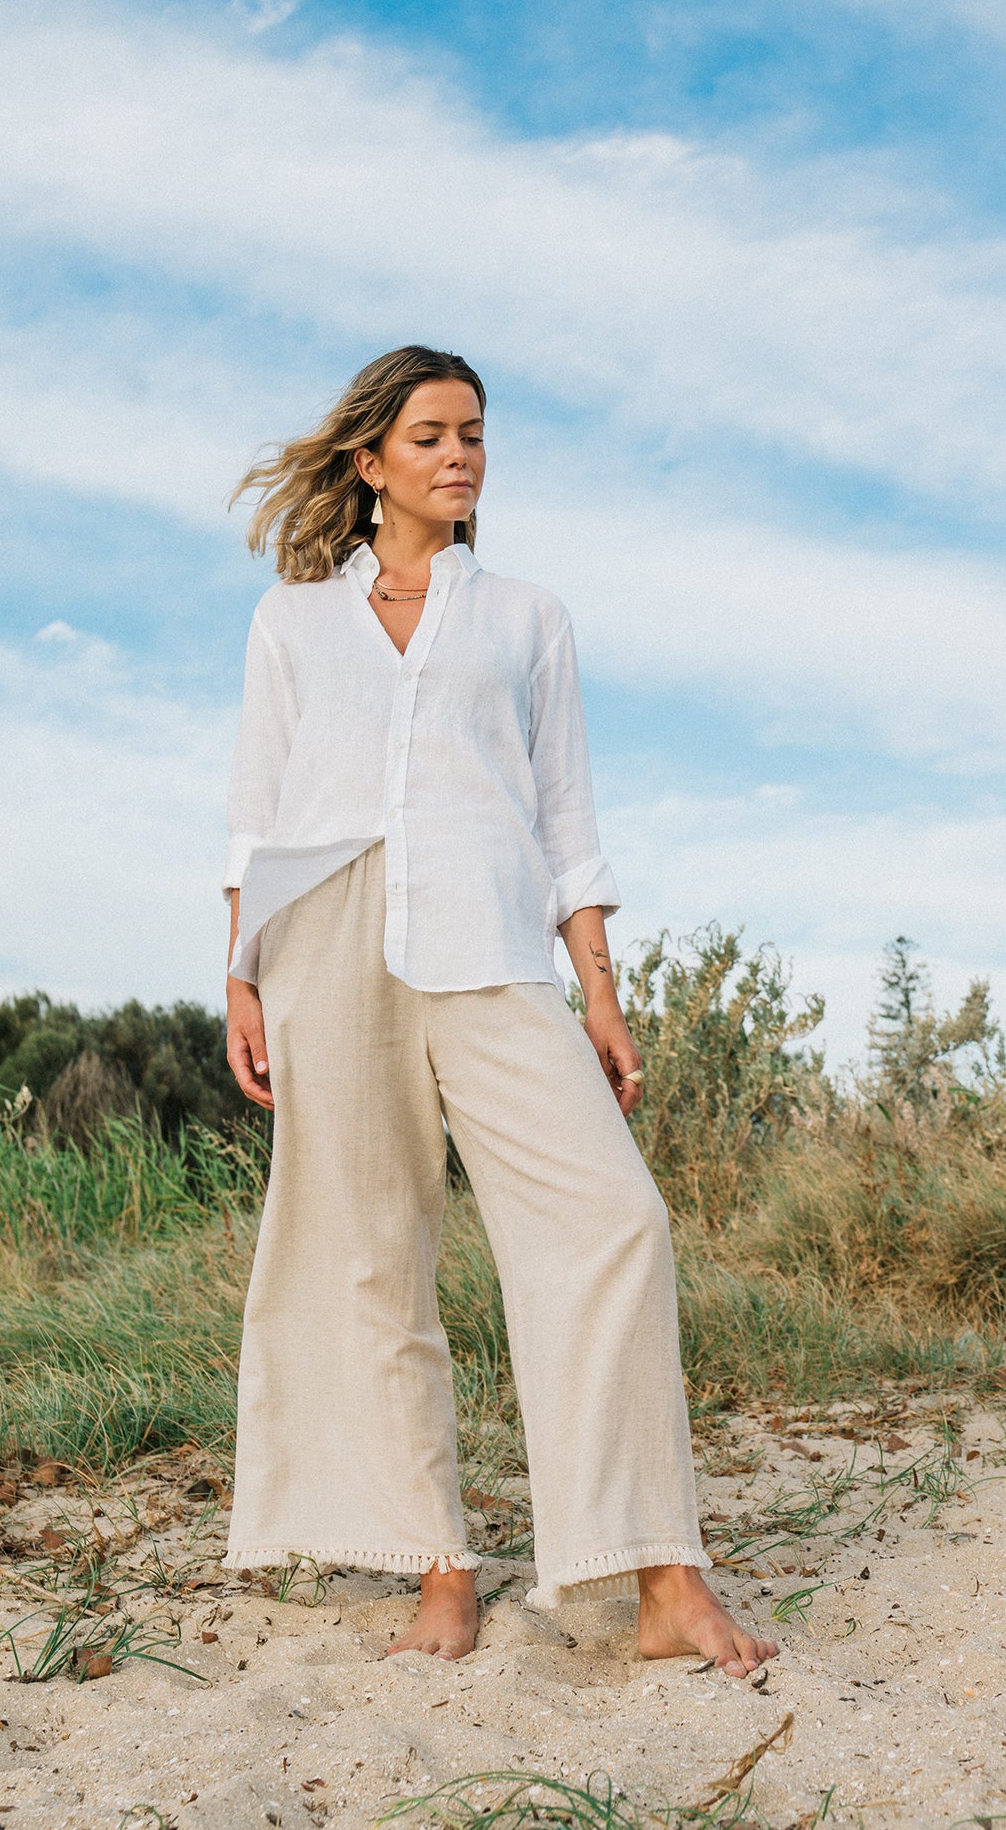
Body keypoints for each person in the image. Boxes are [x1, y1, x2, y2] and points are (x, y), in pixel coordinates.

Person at [220, 345, 778, 1675]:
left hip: (491, 944)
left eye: (473, 434)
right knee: (368, 1255)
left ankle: (658, 1575)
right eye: (428, 437)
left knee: (614, 1221)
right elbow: (257, 815)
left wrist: (601, 992)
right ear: (369, 462)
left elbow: (567, 822)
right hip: (326, 940)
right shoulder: (293, 622)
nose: (459, 456)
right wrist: (239, 974)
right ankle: (441, 1568)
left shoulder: (528, 617)